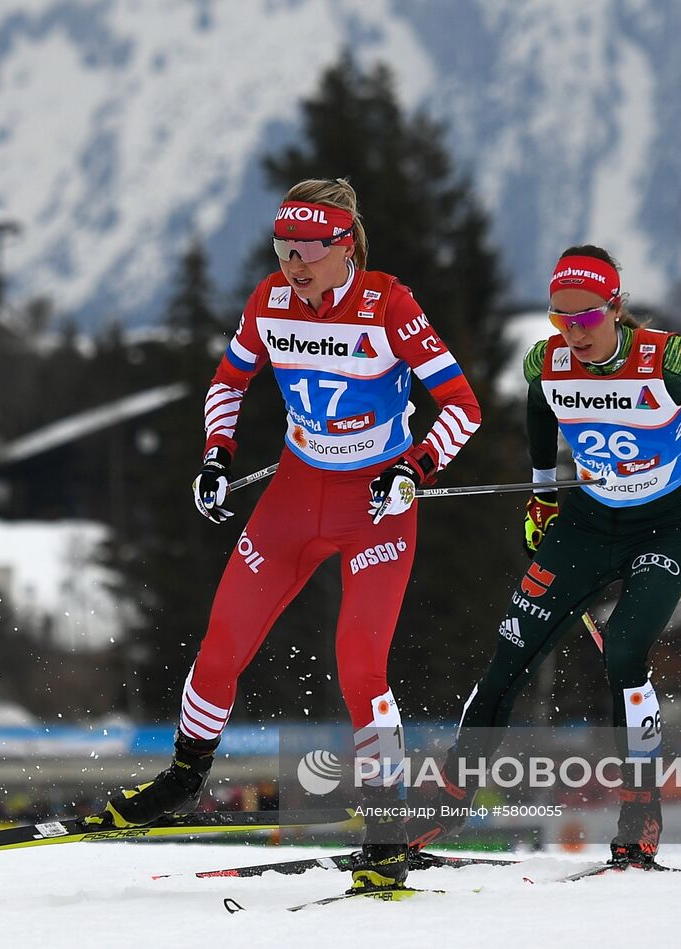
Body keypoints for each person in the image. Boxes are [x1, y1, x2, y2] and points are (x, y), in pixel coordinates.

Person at [90, 178, 482, 891]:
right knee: (219, 647)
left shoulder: (388, 302)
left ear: (344, 246)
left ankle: (386, 826)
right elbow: (227, 382)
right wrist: (216, 455)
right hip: (295, 495)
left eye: (306, 249)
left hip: (375, 506)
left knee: (359, 664)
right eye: (282, 248)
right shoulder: (269, 301)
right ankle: (183, 777)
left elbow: (461, 404)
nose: (292, 264)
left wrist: (415, 467)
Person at [409, 245, 681, 869]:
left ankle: (641, 809)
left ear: (616, 309)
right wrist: (542, 495)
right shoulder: (549, 361)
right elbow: (540, 403)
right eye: (560, 318)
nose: (574, 332)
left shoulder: (669, 359)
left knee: (625, 648)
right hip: (587, 523)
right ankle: (453, 794)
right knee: (510, 652)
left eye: (588, 317)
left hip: (664, 527)